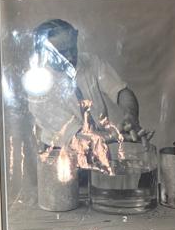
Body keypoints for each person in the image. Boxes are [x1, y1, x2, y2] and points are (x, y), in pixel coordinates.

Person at [22, 18, 149, 152]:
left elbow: (121, 92)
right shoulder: (39, 85)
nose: (70, 57)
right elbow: (76, 135)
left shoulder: (92, 62)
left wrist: (130, 117)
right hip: (62, 155)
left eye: (72, 48)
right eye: (62, 53)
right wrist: (119, 136)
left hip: (100, 147)